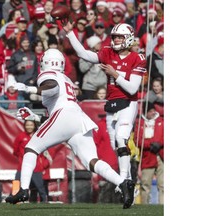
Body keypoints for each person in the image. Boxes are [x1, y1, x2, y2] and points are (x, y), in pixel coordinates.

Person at [5, 48, 135, 209]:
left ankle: (23, 190)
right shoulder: (65, 78)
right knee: (92, 162)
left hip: (64, 115)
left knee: (31, 148)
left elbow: (52, 88)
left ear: (45, 62)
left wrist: (28, 88)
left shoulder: (47, 75)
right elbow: (57, 122)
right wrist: (34, 117)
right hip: (77, 118)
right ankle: (123, 182)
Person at [62, 21, 147, 204]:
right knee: (115, 145)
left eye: (120, 37)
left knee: (121, 138)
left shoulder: (137, 58)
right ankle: (125, 182)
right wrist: (70, 34)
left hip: (128, 103)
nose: (116, 39)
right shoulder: (107, 52)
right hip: (112, 103)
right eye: (114, 36)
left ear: (128, 38)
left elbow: (132, 89)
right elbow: (83, 54)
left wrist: (115, 74)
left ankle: (125, 181)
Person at [12, 114, 49, 203]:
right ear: (24, 125)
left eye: (31, 125)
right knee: (17, 184)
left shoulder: (38, 136)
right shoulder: (20, 136)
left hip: (36, 168)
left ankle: (45, 203)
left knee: (40, 187)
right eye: (27, 125)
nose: (29, 127)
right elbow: (15, 151)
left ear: (34, 125)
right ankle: (15, 202)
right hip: (22, 166)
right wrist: (23, 158)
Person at [134, 102, 164, 204]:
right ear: (145, 112)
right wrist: (150, 144)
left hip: (161, 155)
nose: (152, 113)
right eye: (150, 111)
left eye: (153, 110)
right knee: (145, 184)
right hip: (148, 156)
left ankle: (163, 206)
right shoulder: (140, 123)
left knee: (163, 184)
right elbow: (137, 140)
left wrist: (159, 144)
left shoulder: (161, 121)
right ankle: (144, 206)